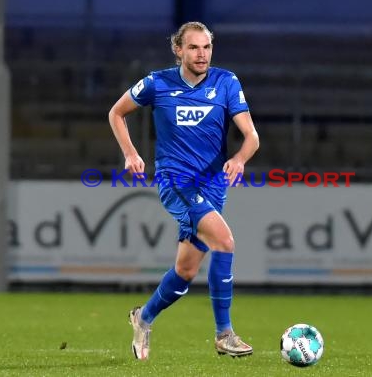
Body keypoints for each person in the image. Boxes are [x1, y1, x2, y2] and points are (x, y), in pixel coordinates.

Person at [108, 21, 259, 360]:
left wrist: (239, 159)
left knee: (186, 272)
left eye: (206, 47)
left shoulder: (226, 82)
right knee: (226, 241)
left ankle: (143, 318)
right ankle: (224, 334)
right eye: (193, 47)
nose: (201, 54)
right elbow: (116, 113)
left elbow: (252, 137)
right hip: (176, 182)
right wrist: (131, 153)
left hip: (213, 186)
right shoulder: (157, 83)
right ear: (178, 50)